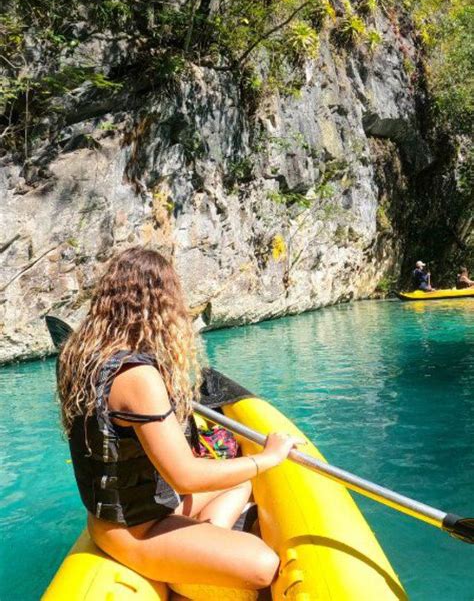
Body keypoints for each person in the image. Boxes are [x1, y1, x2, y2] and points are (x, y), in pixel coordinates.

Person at [57, 246, 301, 599]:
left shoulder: (78, 357)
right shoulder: (138, 377)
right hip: (136, 531)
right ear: (161, 304)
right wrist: (267, 458)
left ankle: (203, 541)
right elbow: (184, 476)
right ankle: (188, 566)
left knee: (238, 484)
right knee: (264, 565)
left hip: (123, 514)